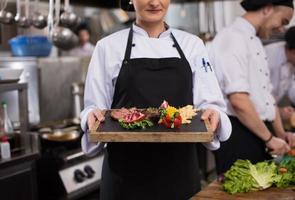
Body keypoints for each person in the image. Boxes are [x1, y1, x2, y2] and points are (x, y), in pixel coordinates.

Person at [80, 0, 231, 199]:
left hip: (179, 170)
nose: (154, 2)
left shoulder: (192, 44)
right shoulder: (107, 47)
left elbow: (210, 102)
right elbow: (95, 107)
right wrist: (92, 117)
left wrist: (214, 113)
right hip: (125, 173)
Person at [209, 0, 295, 175]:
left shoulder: (254, 39)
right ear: (268, 9)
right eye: (283, 21)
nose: (281, 29)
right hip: (238, 134)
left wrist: (280, 134)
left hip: (258, 131)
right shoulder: (231, 38)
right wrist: (269, 138)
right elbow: (238, 100)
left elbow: (267, 96)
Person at [264, 26, 295, 121]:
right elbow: (259, 94)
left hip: (273, 110)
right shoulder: (267, 55)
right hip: (258, 113)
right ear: (293, 51)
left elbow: (291, 85)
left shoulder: (292, 61)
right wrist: (279, 111)